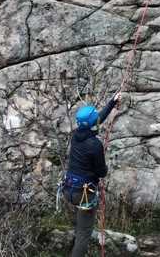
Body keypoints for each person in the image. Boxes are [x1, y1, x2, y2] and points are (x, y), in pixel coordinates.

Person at [61, 92, 122, 257]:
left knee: (79, 226)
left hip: (69, 190)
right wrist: (105, 169)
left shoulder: (76, 136)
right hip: (84, 194)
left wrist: (112, 103)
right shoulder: (95, 145)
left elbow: (96, 120)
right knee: (83, 233)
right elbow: (101, 172)